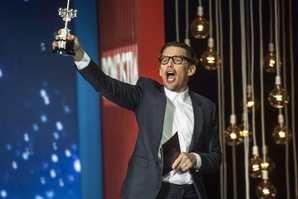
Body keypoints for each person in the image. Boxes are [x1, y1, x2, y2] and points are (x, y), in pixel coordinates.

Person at [53, 33, 222, 199]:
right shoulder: (146, 94)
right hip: (152, 191)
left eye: (177, 60)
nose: (169, 64)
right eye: (164, 60)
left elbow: (215, 157)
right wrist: (78, 53)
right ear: (160, 69)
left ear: (191, 69)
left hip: (191, 192)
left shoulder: (206, 107)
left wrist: (195, 158)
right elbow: (106, 85)